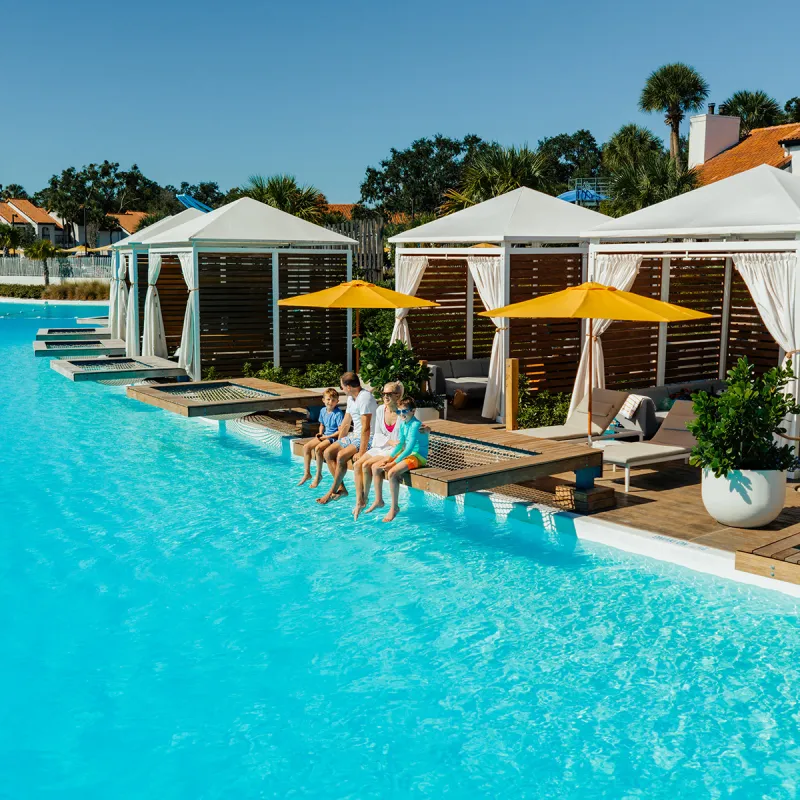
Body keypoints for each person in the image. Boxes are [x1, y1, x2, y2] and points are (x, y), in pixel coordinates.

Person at [317, 372, 377, 504]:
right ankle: (341, 488)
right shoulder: (351, 398)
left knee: (341, 456)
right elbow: (346, 421)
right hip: (354, 435)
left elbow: (366, 428)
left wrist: (361, 453)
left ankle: (331, 491)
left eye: (342, 386)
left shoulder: (364, 398)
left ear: (348, 387)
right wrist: (339, 441)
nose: (341, 389)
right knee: (328, 452)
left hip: (369, 437)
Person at [369, 396, 429, 522]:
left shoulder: (415, 425)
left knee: (392, 472)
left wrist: (393, 463)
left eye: (404, 411)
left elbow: (409, 448)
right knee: (375, 467)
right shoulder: (403, 423)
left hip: (418, 456)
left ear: (413, 411)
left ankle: (394, 507)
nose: (401, 414)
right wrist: (389, 459)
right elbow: (401, 444)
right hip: (408, 453)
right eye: (399, 411)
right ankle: (378, 500)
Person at [352, 381, 403, 520]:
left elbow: (408, 433)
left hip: (394, 449)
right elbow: (378, 433)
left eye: (389, 394)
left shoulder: (402, 412)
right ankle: (360, 500)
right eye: (383, 394)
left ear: (397, 395)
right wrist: (389, 441)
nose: (385, 397)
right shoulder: (381, 410)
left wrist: (394, 444)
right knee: (357, 465)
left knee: (367, 465)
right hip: (382, 445)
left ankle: (368, 499)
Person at [298, 388, 344, 488]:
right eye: (328, 399)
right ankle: (307, 473)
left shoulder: (338, 413)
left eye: (333, 400)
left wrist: (327, 436)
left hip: (332, 438)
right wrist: (320, 433)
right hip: (324, 435)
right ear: (323, 400)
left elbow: (340, 431)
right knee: (306, 447)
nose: (330, 402)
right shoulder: (323, 410)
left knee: (318, 449)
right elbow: (322, 424)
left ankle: (318, 475)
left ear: (337, 401)